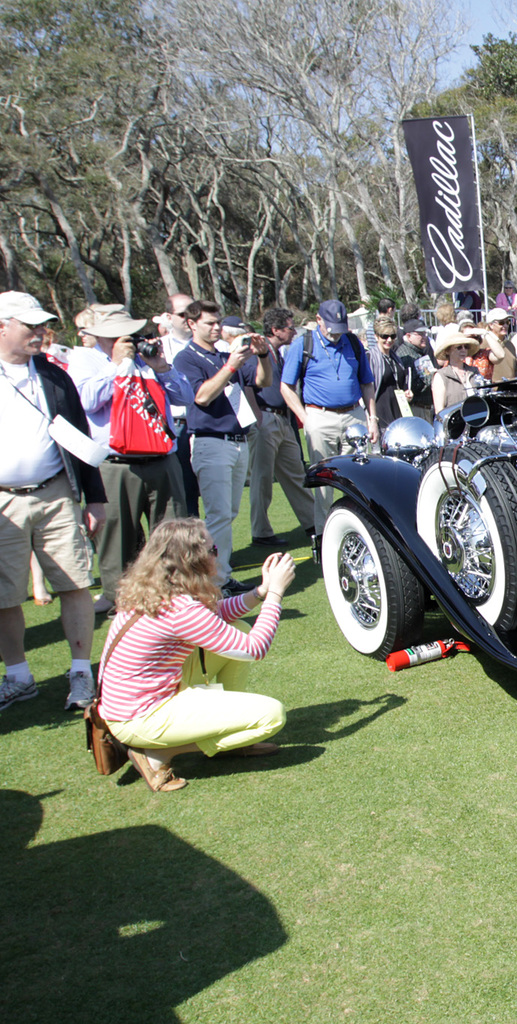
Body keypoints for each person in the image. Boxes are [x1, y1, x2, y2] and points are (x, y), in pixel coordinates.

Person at [96, 518, 296, 792]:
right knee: (271, 716)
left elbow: (217, 615)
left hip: (127, 705)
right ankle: (158, 754)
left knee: (236, 625)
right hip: (140, 717)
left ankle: (225, 740)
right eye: (213, 550)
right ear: (195, 561)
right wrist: (275, 594)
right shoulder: (181, 609)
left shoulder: (156, 589)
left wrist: (258, 592)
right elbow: (254, 649)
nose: (218, 554)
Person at [0, 291, 108, 712]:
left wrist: (95, 499)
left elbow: (80, 438)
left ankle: (81, 671)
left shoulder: (53, 375)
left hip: (57, 491)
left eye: (42, 325)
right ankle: (18, 676)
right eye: (30, 326)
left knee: (75, 583)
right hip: (4, 502)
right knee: (5, 594)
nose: (41, 333)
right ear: (3, 327)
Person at [72, 309, 192, 615]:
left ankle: (173, 592)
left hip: (162, 458)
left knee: (173, 530)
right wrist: (119, 364)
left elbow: (185, 398)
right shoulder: (87, 359)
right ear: (99, 335)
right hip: (116, 462)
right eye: (117, 334)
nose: (127, 340)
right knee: (117, 535)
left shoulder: (147, 358)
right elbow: (87, 400)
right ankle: (118, 597)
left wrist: (162, 368)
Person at [173, 299, 274, 595]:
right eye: (209, 323)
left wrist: (263, 355)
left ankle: (221, 575)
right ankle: (215, 580)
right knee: (218, 514)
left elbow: (262, 381)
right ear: (192, 324)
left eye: (218, 322)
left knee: (228, 514)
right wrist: (231, 364)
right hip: (209, 440)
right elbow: (201, 396)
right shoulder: (186, 358)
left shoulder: (221, 355)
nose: (216, 328)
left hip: (237, 440)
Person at [278, 298, 378, 534]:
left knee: (357, 477)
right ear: (318, 320)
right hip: (319, 416)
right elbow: (286, 386)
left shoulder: (352, 342)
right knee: (324, 483)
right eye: (332, 329)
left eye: (340, 329)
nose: (336, 334)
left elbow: (367, 382)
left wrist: (372, 418)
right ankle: (326, 536)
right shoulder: (303, 343)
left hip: (354, 415)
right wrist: (306, 418)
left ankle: (359, 530)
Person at [247, 308, 310, 547]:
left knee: (296, 472)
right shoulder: (258, 352)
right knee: (262, 478)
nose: (293, 332)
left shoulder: (279, 354)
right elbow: (248, 385)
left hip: (283, 419)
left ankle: (312, 522)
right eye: (289, 327)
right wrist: (257, 418)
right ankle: (260, 530)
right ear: (275, 330)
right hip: (265, 417)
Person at [431, 330, 488, 416]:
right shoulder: (441, 375)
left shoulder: (474, 371)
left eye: (466, 347)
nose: (463, 350)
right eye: (459, 347)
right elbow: (439, 411)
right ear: (447, 351)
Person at [392, 318, 435, 419]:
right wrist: (430, 378)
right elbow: (409, 386)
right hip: (416, 409)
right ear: (408, 336)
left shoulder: (418, 352)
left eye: (425, 333)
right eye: (420, 334)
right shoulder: (406, 355)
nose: (424, 337)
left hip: (424, 409)